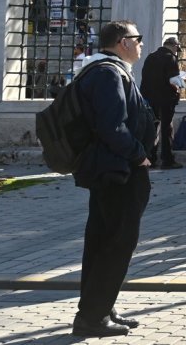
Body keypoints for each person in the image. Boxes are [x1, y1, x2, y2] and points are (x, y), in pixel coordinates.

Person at [70, 20, 154, 338]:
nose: (141, 44)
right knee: (116, 244)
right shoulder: (107, 73)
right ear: (123, 42)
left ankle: (101, 307)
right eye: (138, 38)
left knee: (103, 241)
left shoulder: (106, 70)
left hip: (113, 170)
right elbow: (111, 125)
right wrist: (138, 154)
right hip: (119, 172)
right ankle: (92, 318)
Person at [141, 36, 184, 170]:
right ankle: (167, 160)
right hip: (166, 99)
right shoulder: (170, 58)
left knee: (153, 128)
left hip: (150, 98)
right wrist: (180, 85)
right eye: (178, 49)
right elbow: (173, 80)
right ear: (175, 46)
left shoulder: (150, 57)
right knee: (166, 129)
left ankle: (151, 158)